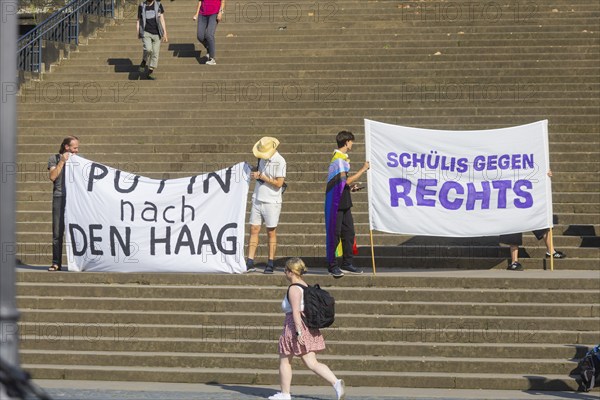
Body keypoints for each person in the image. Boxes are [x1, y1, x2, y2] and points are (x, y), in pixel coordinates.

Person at [268, 257, 345, 400]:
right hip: (307, 325)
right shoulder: (304, 285)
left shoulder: (294, 288)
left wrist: (298, 333)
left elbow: (296, 312)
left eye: (285, 270)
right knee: (312, 362)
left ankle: (285, 394)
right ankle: (336, 383)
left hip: (295, 326)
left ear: (291, 271)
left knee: (285, 360)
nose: (284, 273)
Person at [500, 170, 566, 271]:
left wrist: (546, 176)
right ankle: (514, 261)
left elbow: (537, 166)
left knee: (541, 219)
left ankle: (551, 251)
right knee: (513, 226)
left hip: (527, 195)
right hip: (511, 194)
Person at [324, 131, 369, 278]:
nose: (352, 144)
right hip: (336, 204)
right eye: (351, 142)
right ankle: (332, 266)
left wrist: (351, 188)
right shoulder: (338, 160)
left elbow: (343, 184)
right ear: (347, 142)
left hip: (344, 202)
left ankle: (347, 263)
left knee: (349, 234)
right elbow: (345, 181)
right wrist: (363, 169)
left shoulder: (341, 159)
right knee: (334, 235)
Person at [246, 137, 286, 274]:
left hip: (272, 200)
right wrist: (254, 173)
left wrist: (263, 177)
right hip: (257, 197)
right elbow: (260, 172)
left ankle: (270, 262)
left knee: (271, 231)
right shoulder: (261, 158)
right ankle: (249, 261)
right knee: (254, 229)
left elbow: (279, 183)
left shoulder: (280, 161)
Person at [47, 136, 80, 271]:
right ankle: (56, 263)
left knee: (78, 231)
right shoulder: (54, 158)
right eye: (75, 148)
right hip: (60, 197)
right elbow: (52, 176)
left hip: (76, 199)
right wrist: (62, 161)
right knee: (57, 232)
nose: (77, 150)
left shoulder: (79, 160)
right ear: (67, 147)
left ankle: (80, 262)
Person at [137, 0, 168, 80]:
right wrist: (138, 32)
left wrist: (165, 33)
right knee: (148, 49)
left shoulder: (158, 5)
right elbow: (138, 20)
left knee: (155, 53)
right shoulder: (142, 6)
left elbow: (162, 19)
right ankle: (144, 60)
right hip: (146, 32)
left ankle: (149, 72)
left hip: (157, 33)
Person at [193, 0, 224, 65]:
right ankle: (209, 48)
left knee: (209, 34)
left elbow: (223, 1)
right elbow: (200, 1)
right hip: (202, 14)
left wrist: (220, 12)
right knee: (200, 36)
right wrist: (196, 13)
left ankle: (212, 58)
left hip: (214, 13)